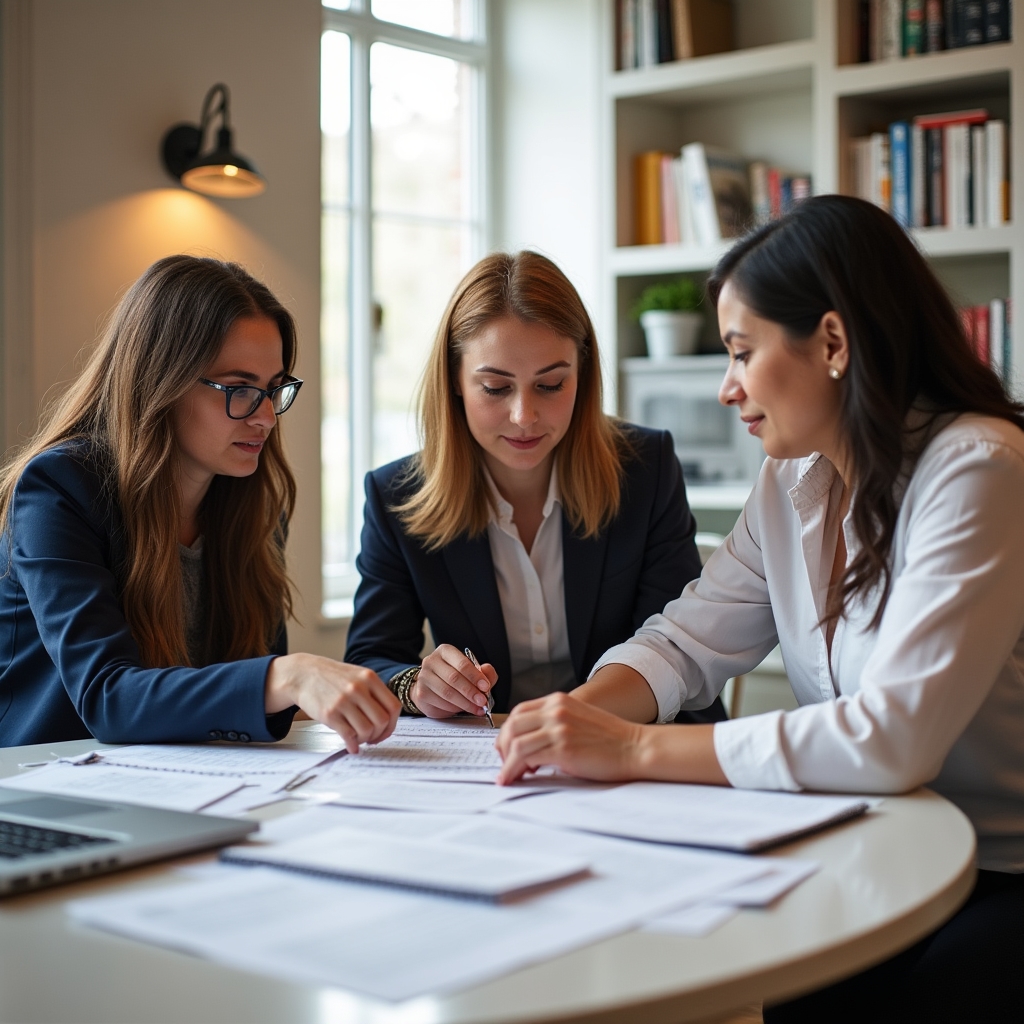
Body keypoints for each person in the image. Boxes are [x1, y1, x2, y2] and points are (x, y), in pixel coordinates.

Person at [494, 196, 1024, 1021]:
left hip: (998, 865)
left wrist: (631, 748)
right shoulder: (794, 477)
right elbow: (687, 641)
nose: (725, 387)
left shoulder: (978, 468)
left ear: (834, 343)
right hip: (875, 841)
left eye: (741, 352)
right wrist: (570, 722)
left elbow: (894, 737)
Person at [0, 255, 399, 750]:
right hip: (50, 790)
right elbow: (108, 697)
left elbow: (245, 708)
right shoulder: (59, 490)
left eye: (274, 390)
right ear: (160, 381)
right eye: (238, 389)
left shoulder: (254, 507)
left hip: (189, 783)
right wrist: (287, 677)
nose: (266, 418)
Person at [345, 250, 724, 723]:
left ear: (581, 377)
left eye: (550, 385)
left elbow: (674, 650)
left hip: (635, 740)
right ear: (456, 380)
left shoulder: (645, 469)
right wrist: (417, 686)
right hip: (488, 762)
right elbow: (370, 660)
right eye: (496, 388)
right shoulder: (396, 496)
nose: (524, 416)